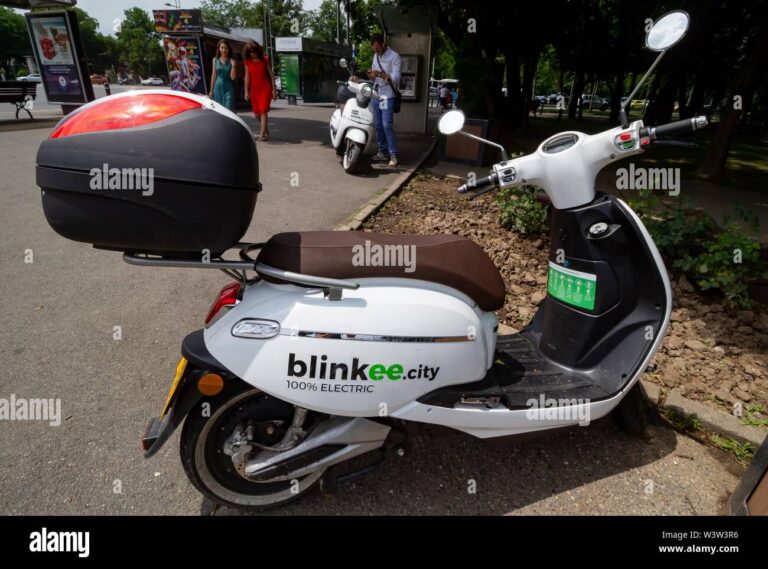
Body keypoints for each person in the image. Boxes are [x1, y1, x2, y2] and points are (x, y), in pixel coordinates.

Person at [367, 32, 401, 167]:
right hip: (377, 93)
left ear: (383, 44)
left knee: (387, 124)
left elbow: (396, 79)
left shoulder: (395, 57)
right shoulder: (375, 56)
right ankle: (382, 152)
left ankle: (393, 154)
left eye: (378, 48)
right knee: (378, 125)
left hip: (388, 94)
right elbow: (374, 76)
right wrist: (371, 75)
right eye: (374, 50)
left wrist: (380, 74)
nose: (377, 51)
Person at [243, 40, 277, 141]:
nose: (252, 54)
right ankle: (266, 129)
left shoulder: (264, 59)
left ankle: (262, 134)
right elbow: (247, 78)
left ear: (258, 50)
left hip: (265, 88)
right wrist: (246, 91)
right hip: (254, 89)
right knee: (256, 113)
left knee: (263, 111)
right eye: (250, 52)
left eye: (254, 51)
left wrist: (274, 91)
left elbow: (271, 75)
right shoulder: (247, 62)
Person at [209, 39, 237, 111]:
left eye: (226, 48)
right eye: (222, 48)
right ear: (219, 48)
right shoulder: (215, 60)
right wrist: (211, 90)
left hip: (228, 88)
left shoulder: (232, 61)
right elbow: (213, 75)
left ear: (229, 49)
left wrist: (233, 66)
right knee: (220, 110)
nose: (224, 50)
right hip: (217, 87)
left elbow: (233, 78)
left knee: (228, 109)